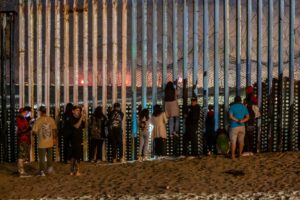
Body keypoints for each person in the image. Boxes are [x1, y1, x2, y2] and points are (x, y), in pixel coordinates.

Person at [32, 106, 57, 176]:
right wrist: (54, 139)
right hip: (50, 142)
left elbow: (34, 132)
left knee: (42, 157)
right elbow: (54, 130)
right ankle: (50, 169)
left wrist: (32, 128)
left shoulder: (38, 120)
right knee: (49, 156)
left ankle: (42, 171)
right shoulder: (51, 119)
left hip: (42, 143)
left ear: (40, 112)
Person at [16, 107, 32, 177]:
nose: (28, 113)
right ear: (25, 111)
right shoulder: (20, 119)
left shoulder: (23, 118)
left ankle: (21, 171)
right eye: (28, 112)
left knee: (22, 155)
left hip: (25, 139)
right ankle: (21, 172)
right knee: (21, 156)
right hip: (23, 139)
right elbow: (22, 129)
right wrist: (29, 127)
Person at [70, 105, 86, 176]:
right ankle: (77, 171)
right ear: (73, 111)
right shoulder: (71, 119)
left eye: (79, 111)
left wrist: (83, 116)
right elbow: (76, 126)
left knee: (74, 156)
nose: (78, 112)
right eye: (77, 110)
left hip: (79, 139)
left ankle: (72, 171)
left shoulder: (79, 118)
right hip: (73, 139)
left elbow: (84, 125)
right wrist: (81, 118)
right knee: (76, 156)